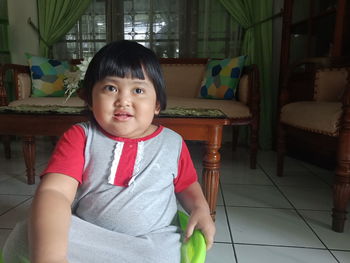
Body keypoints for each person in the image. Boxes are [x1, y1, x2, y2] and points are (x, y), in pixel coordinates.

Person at [3, 40, 215, 263]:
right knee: (27, 235)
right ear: (90, 100)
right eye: (110, 88)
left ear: (157, 104)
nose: (123, 100)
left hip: (149, 243)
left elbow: (187, 184)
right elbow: (55, 192)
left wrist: (201, 208)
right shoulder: (81, 136)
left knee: (165, 252)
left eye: (138, 90)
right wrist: (51, 256)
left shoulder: (173, 142)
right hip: (91, 236)